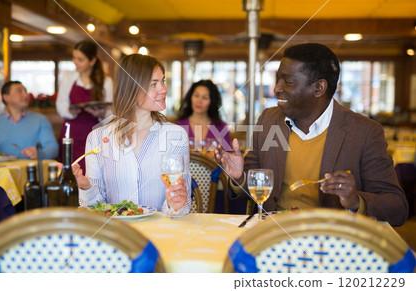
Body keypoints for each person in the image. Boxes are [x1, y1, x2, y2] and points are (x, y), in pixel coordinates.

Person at [215, 43, 408, 226]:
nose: (276, 89)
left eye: (288, 82)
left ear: (319, 88)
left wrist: (355, 200)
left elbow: (397, 207)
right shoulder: (269, 120)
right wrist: (239, 177)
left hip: (331, 242)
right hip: (273, 235)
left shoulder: (364, 131)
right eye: (277, 80)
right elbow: (255, 189)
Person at [73, 54, 191, 214]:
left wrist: (175, 205)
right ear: (131, 89)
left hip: (159, 235)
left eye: (162, 81)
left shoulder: (176, 136)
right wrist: (86, 186)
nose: (164, 89)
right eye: (153, 84)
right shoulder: (97, 138)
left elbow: (182, 206)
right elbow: (95, 209)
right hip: (117, 235)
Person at [56, 40, 113, 173]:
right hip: (71, 133)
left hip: (95, 133)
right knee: (69, 173)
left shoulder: (106, 81)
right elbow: (60, 105)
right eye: (74, 58)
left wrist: (101, 114)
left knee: (92, 174)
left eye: (80, 59)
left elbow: (111, 114)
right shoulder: (69, 78)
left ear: (92, 61)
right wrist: (70, 111)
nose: (75, 62)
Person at [0, 81, 58, 159]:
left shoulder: (40, 120)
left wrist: (40, 153)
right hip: (2, 172)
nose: (25, 95)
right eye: (19, 91)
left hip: (31, 171)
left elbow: (53, 148)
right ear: (6, 97)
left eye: (25, 91)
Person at [175, 80, 232, 155]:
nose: (199, 101)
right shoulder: (177, 126)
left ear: (212, 101)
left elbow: (229, 159)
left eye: (205, 98)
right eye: (196, 95)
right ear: (190, 97)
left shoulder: (221, 128)